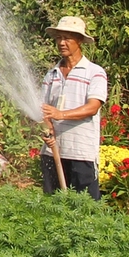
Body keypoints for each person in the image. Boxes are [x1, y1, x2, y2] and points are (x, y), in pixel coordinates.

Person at [39, 14, 107, 199]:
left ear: (79, 40)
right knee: (53, 206)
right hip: (53, 152)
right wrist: (48, 129)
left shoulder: (94, 72)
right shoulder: (51, 74)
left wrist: (60, 114)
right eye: (59, 37)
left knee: (86, 208)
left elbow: (92, 107)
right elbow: (42, 109)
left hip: (81, 152)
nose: (62, 42)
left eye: (67, 38)